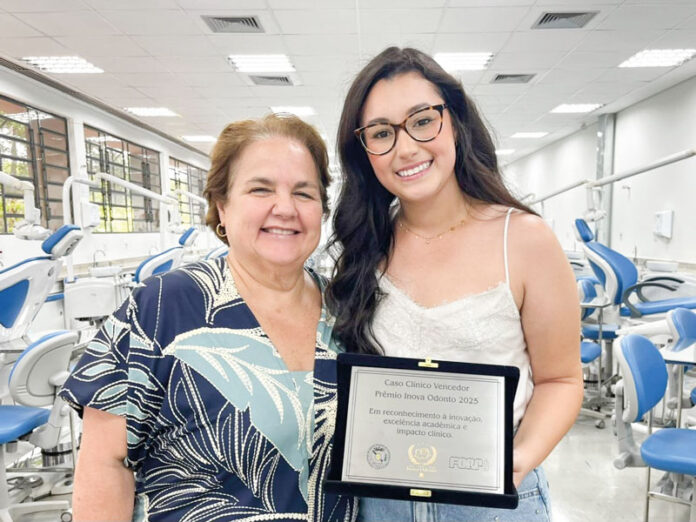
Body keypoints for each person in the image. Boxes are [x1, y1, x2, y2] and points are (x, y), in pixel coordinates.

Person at [326, 47, 583, 521]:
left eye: (422, 121)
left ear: (455, 122)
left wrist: (518, 460)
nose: (406, 148)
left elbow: (561, 380)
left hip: (493, 501)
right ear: (364, 152)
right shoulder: (365, 247)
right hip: (381, 500)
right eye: (381, 133)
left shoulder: (524, 240)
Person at [59, 114, 358, 521]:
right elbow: (106, 463)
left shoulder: (348, 312)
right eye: (260, 189)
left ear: (321, 209)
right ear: (222, 206)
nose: (286, 208)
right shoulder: (161, 308)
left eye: (303, 193)